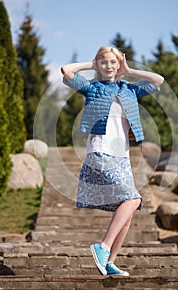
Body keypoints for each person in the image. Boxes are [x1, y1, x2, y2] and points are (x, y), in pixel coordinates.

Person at [61, 46, 164, 276]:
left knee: (127, 209)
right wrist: (91, 64)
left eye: (113, 63)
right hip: (100, 152)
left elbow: (158, 81)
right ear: (99, 65)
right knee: (133, 198)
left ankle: (109, 261)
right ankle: (103, 247)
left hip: (122, 157)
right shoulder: (92, 88)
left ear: (119, 66)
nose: (109, 66)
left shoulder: (129, 90)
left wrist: (130, 70)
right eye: (104, 62)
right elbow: (67, 71)